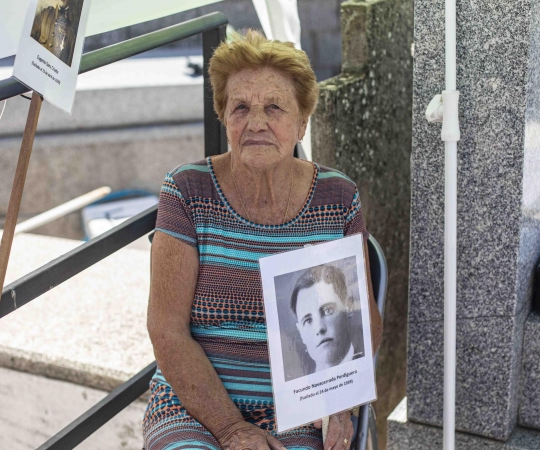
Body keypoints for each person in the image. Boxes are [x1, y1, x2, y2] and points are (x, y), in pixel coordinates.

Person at [144, 30, 383, 450]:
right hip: (193, 404)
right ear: (223, 116)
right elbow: (166, 330)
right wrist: (231, 429)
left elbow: (361, 325)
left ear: (302, 121)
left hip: (298, 410)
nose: (256, 123)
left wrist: (339, 403)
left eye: (274, 107)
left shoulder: (337, 197)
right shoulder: (186, 190)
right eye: (240, 107)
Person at [290, 264, 363, 374]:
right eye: (308, 321)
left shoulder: (370, 362)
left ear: (348, 306)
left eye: (328, 310)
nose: (319, 328)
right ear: (301, 332)